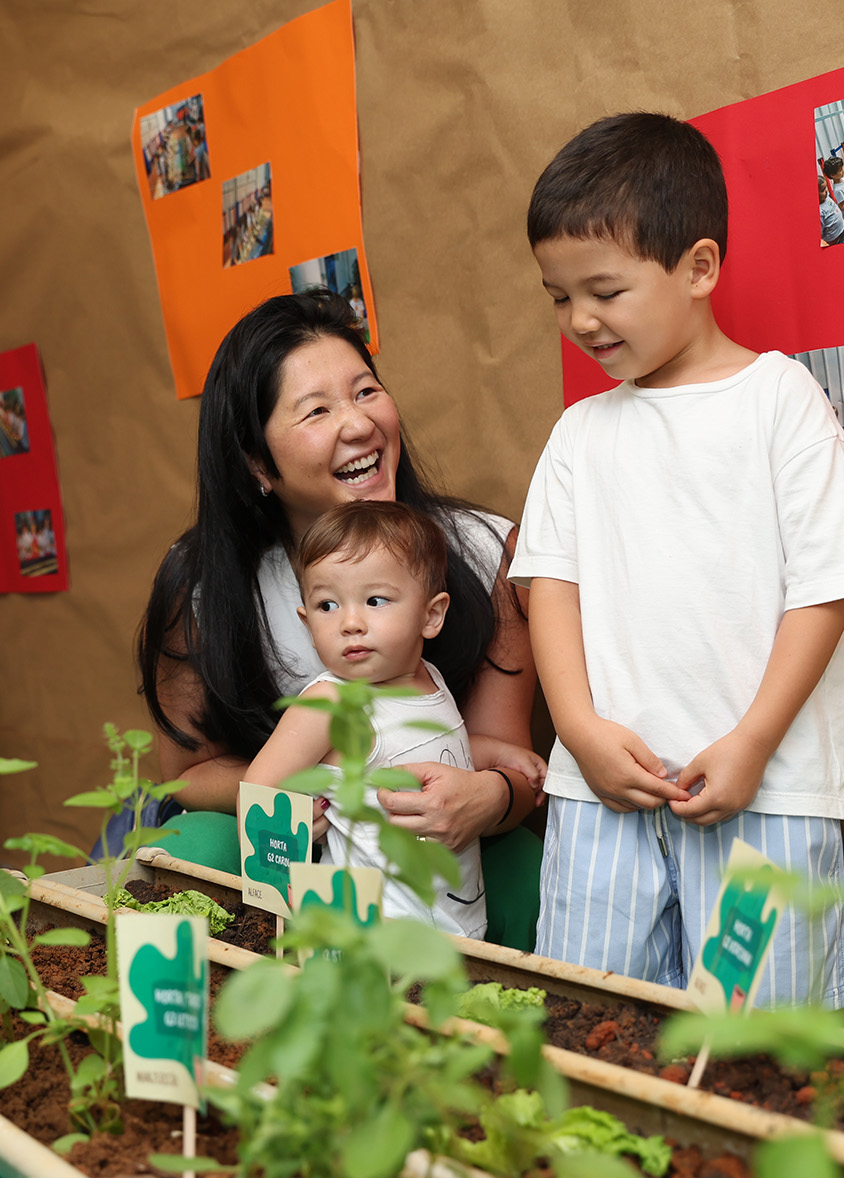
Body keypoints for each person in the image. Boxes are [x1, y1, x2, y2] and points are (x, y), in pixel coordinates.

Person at [517, 112, 844, 1007]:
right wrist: (577, 728)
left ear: (698, 268)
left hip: (767, 791)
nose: (581, 319)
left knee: (758, 1039)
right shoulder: (580, 433)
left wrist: (752, 741)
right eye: (559, 296)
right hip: (605, 790)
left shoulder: (780, 402)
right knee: (587, 1017)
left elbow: (826, 588)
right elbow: (549, 588)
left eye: (604, 290)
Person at [136, 293, 547, 947]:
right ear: (257, 462)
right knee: (192, 842)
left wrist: (490, 796)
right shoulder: (208, 590)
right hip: (297, 847)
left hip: (435, 848)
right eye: (317, 410)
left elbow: (504, 753)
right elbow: (185, 776)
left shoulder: (482, 551)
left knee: (525, 868)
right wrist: (310, 786)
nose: (358, 424)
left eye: (366, 391)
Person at [248, 502, 543, 935]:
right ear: (307, 622)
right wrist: (298, 821)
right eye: (327, 605)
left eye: (375, 600)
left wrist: (495, 752)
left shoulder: (429, 679)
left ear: (431, 615)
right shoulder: (331, 705)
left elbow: (424, 753)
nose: (350, 622)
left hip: (452, 923)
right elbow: (259, 789)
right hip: (372, 937)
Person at [817, 173, 844, 245]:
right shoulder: (819, 212)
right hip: (833, 239)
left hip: (842, 229)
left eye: (826, 187)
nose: (826, 190)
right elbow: (819, 232)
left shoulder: (826, 197)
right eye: (822, 190)